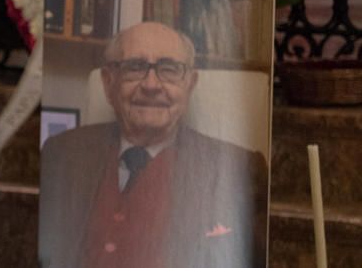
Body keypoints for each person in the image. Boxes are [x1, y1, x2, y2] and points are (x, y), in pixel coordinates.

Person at [38, 22, 268, 268]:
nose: (151, 85)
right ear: (108, 83)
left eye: (168, 69)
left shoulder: (239, 168)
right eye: (134, 67)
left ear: (189, 85)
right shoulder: (62, 153)